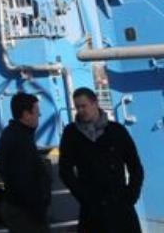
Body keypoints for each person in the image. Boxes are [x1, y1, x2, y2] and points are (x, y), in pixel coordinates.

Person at [57, 87, 143, 232]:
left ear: (95, 103)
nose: (80, 110)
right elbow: (65, 170)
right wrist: (83, 196)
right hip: (92, 210)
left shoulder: (116, 131)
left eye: (83, 106)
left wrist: (131, 196)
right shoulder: (72, 134)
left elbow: (135, 166)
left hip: (120, 207)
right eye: (77, 107)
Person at [0, 92, 52, 233]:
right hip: (26, 212)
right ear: (26, 114)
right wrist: (39, 205)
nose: (39, 116)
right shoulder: (21, 140)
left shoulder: (12, 134)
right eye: (36, 113)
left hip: (18, 207)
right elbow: (23, 178)